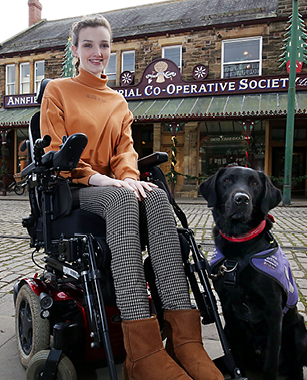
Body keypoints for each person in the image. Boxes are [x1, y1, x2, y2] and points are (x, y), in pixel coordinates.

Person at [40, 14, 222, 380]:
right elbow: (57, 154)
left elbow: (125, 151)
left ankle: (185, 341)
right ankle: (142, 353)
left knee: (154, 197)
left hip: (113, 185)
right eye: (88, 44)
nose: (97, 52)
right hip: (75, 189)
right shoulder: (58, 90)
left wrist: (128, 178)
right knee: (122, 200)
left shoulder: (119, 101)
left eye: (103, 45)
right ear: (74, 50)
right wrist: (102, 181)